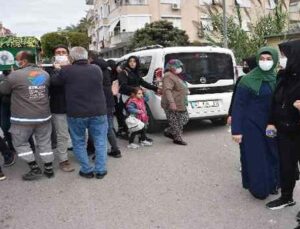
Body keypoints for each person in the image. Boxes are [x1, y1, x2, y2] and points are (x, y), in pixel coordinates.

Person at [51, 47, 108, 179]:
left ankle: (86, 170)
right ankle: (100, 170)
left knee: (79, 142)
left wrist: (58, 69)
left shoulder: (66, 71)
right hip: (98, 111)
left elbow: (54, 82)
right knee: (100, 141)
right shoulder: (96, 69)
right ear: (86, 56)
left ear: (71, 58)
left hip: (77, 113)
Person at [231, 47, 280, 199]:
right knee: (256, 157)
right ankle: (259, 189)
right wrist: (236, 130)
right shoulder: (247, 80)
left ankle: (272, 184)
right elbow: (238, 106)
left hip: (272, 125)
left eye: (268, 59)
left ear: (275, 60)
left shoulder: (277, 78)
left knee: (273, 155)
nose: (265, 62)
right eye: (262, 59)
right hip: (251, 126)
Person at [0, 51, 54, 180]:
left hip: (22, 119)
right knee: (45, 142)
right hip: (43, 117)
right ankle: (49, 169)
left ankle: (34, 168)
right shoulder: (44, 74)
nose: (16, 61)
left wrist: (6, 78)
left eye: (17, 59)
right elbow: (38, 87)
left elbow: (3, 90)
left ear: (23, 61)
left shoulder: (15, 75)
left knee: (20, 143)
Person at [266, 40, 300, 210]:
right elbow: (275, 102)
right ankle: (287, 198)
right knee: (286, 166)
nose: (282, 59)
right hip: (284, 130)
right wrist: (271, 122)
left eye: (285, 55)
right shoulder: (283, 76)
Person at [118, 56, 161, 139]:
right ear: (128, 62)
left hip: (138, 97)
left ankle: (142, 136)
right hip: (128, 98)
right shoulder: (123, 73)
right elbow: (123, 86)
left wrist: (156, 88)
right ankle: (131, 136)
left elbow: (143, 83)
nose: (132, 63)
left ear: (137, 63)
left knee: (141, 116)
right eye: (130, 61)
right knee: (132, 118)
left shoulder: (136, 72)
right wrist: (136, 89)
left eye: (134, 61)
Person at [47, 44, 75, 172]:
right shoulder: (49, 70)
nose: (61, 54)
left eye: (63, 52)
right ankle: (64, 160)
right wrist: (57, 70)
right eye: (58, 52)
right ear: (54, 56)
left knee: (82, 133)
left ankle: (81, 153)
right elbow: (52, 83)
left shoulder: (74, 68)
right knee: (62, 135)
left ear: (68, 55)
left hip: (76, 107)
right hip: (58, 108)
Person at [89, 52, 121, 158]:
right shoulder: (106, 67)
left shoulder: (92, 68)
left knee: (96, 129)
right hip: (109, 100)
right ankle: (116, 150)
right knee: (109, 127)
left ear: (89, 58)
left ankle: (98, 153)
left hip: (98, 101)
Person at [161, 59, 189, 145]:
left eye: (180, 66)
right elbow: (167, 90)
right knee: (175, 122)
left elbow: (179, 86)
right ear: (171, 67)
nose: (179, 68)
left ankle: (169, 131)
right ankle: (177, 138)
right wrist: (172, 103)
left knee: (184, 118)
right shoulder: (168, 76)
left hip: (180, 103)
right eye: (177, 66)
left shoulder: (176, 75)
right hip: (172, 103)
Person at [227, 56, 257, 125]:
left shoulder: (262, 80)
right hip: (244, 114)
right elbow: (235, 99)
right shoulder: (241, 79)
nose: (244, 67)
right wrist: (230, 114)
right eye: (244, 65)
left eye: (246, 65)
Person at [0, 70, 15, 167]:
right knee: (6, 127)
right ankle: (9, 150)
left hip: (10, 105)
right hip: (4, 105)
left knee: (7, 127)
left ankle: (8, 153)